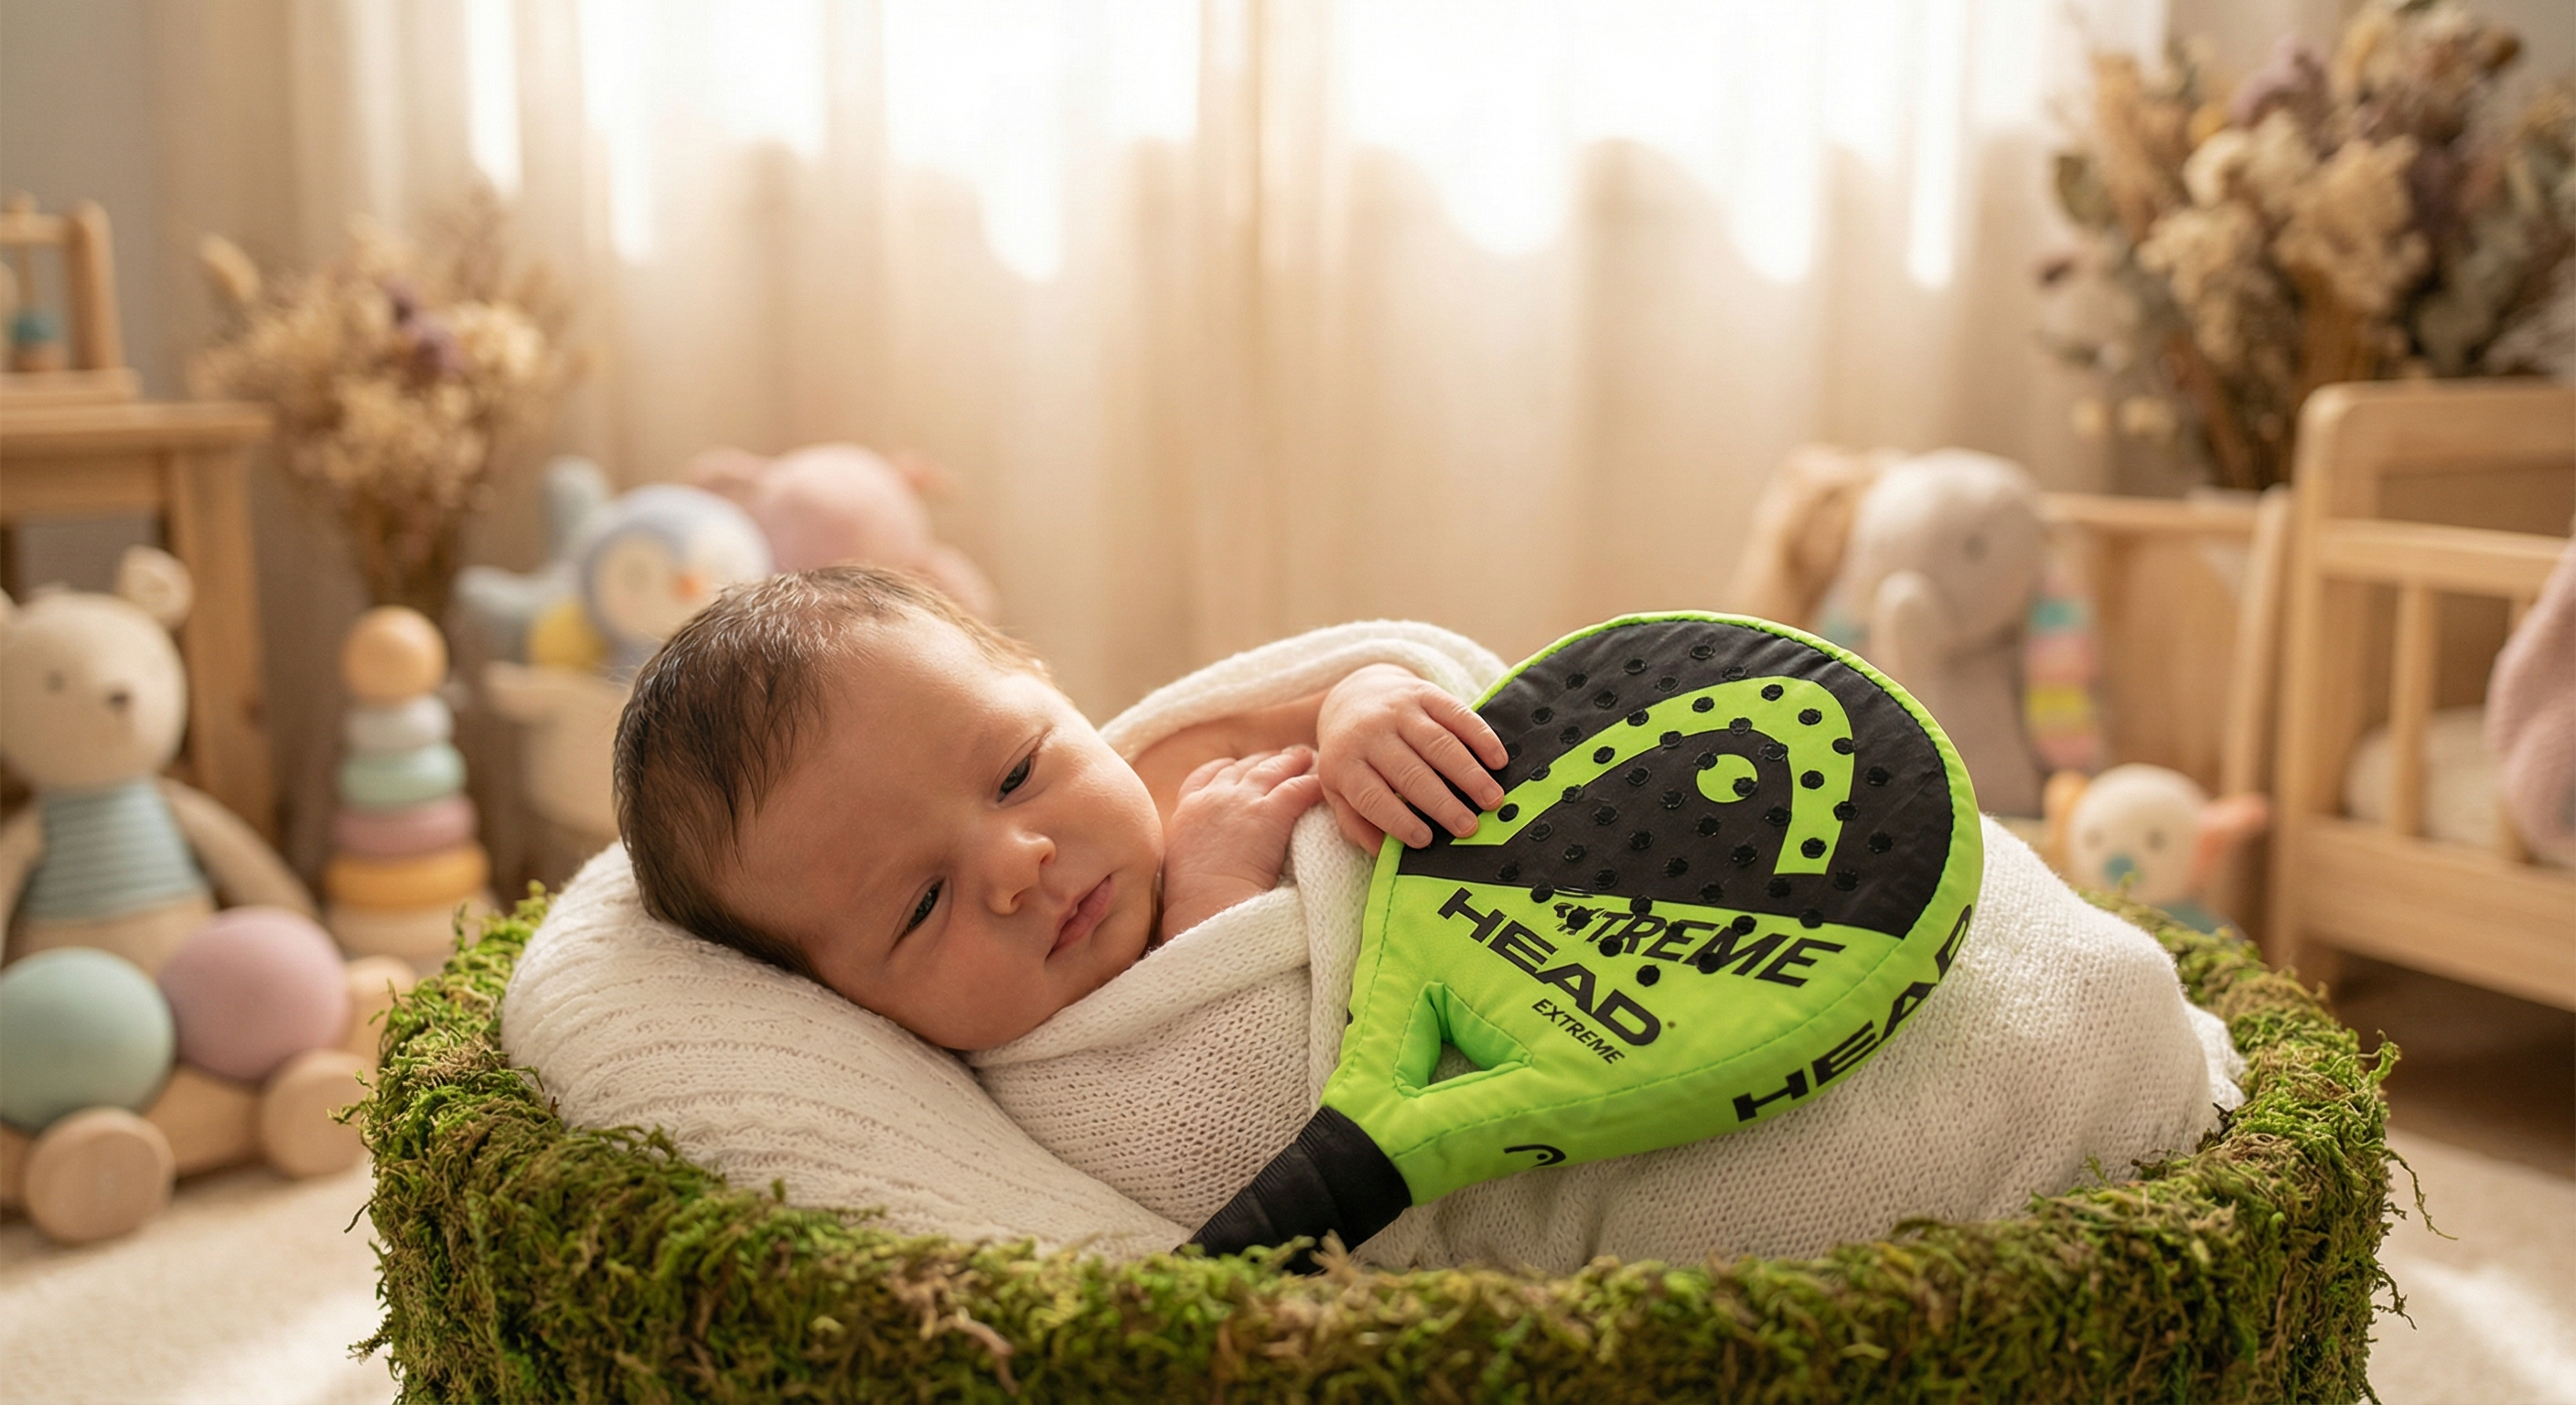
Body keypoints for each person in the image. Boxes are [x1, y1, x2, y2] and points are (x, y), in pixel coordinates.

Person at [614, 565, 1504, 1051]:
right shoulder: (1049, 1075)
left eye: (1013, 774)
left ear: (1043, 687)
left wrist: (1365, 710)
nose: (1016, 862)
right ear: (840, 1002)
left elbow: (1360, 678)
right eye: (921, 905)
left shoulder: (1171, 760)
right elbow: (1246, 1137)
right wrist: (1210, 898)